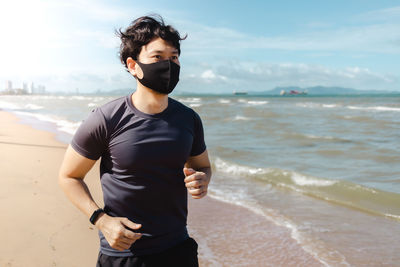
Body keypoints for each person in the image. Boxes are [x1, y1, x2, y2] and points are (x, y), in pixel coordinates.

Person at [58, 15, 211, 267]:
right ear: (133, 65)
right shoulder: (105, 118)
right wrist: (101, 219)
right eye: (157, 57)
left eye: (174, 57)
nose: (168, 65)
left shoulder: (189, 118)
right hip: (124, 255)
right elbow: (68, 176)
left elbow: (203, 166)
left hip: (178, 249)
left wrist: (202, 180)